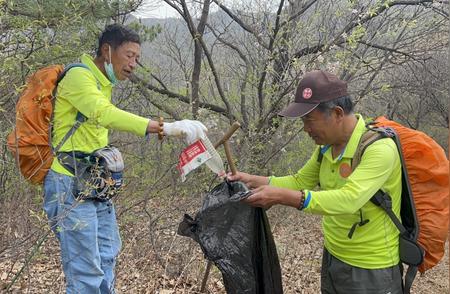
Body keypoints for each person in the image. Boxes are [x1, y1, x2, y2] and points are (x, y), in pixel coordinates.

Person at [43, 24, 207, 293]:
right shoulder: (79, 78)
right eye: (129, 55)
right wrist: (164, 126)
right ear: (107, 50)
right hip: (69, 186)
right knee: (86, 273)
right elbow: (103, 113)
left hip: (94, 184)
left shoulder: (101, 82)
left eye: (137, 58)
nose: (133, 64)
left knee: (107, 257)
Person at [228, 70, 403, 293]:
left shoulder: (379, 149)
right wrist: (254, 180)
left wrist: (283, 197)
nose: (306, 129)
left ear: (338, 113)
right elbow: (300, 180)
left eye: (309, 120)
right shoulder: (326, 148)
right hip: (333, 256)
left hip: (371, 268)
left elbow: (350, 199)